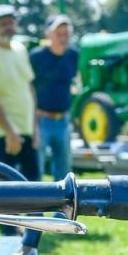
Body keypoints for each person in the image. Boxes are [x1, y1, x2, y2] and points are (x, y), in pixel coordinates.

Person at [0, 4, 39, 180]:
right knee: (5, 193)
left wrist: (35, 128)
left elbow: (29, 88)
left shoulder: (20, 49)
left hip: (26, 130)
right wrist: (10, 133)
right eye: (3, 24)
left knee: (35, 189)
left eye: (11, 23)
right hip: (5, 135)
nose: (8, 27)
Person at [30, 14, 78, 182]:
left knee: (64, 173)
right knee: (37, 170)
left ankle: (62, 209)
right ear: (48, 34)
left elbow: (76, 83)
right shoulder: (36, 57)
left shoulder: (73, 55)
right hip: (41, 120)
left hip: (63, 121)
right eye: (59, 33)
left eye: (66, 33)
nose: (63, 37)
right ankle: (35, 208)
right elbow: (29, 89)